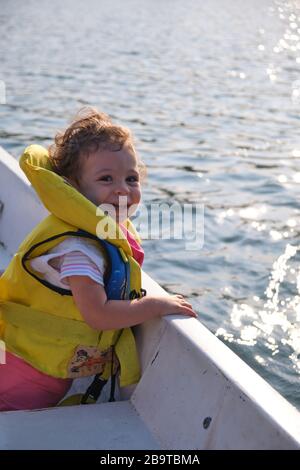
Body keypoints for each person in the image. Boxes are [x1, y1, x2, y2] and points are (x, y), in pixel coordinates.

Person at [0, 108, 197, 411]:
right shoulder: (80, 250)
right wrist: (156, 305)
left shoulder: (104, 232)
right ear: (74, 188)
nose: (123, 189)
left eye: (131, 178)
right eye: (106, 178)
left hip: (34, 363)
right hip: (26, 373)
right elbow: (98, 314)